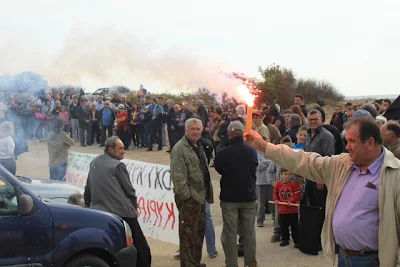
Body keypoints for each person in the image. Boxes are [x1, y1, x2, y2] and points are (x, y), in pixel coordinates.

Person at [245, 116, 400, 267]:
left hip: (372, 261)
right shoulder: (342, 164)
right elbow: (305, 161)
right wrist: (265, 147)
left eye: (352, 141)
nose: (347, 146)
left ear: (370, 142)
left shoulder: (394, 174)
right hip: (343, 257)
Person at [84, 136, 151, 267]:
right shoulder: (118, 165)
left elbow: (88, 187)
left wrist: (87, 203)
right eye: (120, 148)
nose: (124, 151)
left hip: (101, 212)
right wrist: (134, 208)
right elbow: (129, 191)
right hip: (123, 212)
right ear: (111, 149)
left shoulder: (95, 162)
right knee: (141, 248)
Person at [170, 118, 213, 267]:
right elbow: (178, 177)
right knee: (188, 236)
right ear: (186, 130)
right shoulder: (179, 149)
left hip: (201, 198)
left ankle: (195, 262)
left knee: (199, 233)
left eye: (197, 129)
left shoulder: (198, 145)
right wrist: (187, 197)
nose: (195, 131)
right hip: (190, 200)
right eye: (192, 129)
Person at [214, 121, 258, 267]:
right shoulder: (252, 151)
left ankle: (231, 264)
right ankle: (250, 263)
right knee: (249, 233)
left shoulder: (223, 152)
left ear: (229, 134)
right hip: (249, 196)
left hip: (230, 198)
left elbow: (219, 169)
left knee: (230, 234)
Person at [273, 168, 301, 247]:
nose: (287, 176)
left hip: (293, 210)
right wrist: (276, 200)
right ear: (281, 175)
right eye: (285, 174)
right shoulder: (277, 184)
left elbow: (297, 195)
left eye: (289, 174)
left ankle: (297, 241)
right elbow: (275, 194)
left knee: (294, 227)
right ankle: (285, 239)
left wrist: (291, 201)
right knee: (283, 226)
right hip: (282, 210)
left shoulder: (294, 185)